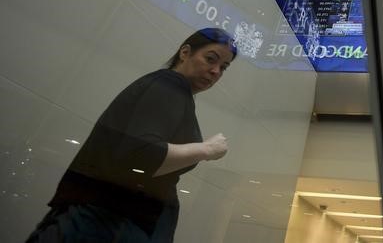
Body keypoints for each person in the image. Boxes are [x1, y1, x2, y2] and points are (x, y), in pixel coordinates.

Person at [26, 28, 237, 242]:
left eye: (223, 67)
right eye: (211, 59)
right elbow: (142, 156)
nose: (216, 71)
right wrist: (207, 149)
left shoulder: (173, 91)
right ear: (185, 52)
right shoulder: (170, 84)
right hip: (102, 224)